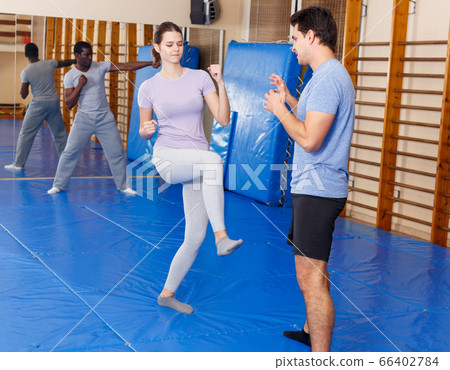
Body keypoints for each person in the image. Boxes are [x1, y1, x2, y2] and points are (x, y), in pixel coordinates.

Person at [264, 7, 355, 352]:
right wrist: (289, 98)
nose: (292, 46)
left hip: (319, 190)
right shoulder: (324, 76)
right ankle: (309, 329)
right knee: (311, 268)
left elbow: (310, 139)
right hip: (312, 188)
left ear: (312, 37)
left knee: (310, 276)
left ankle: (321, 355)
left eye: (295, 39)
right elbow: (315, 116)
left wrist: (280, 110)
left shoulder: (329, 78)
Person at [138, 21, 243, 314]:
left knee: (195, 236)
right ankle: (221, 237)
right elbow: (144, 131)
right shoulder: (148, 87)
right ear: (156, 48)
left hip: (197, 160)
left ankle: (167, 294)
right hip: (169, 158)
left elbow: (222, 119)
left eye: (180, 43)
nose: (176, 49)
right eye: (169, 44)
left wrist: (221, 82)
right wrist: (146, 130)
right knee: (213, 161)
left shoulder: (199, 78)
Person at [47, 41, 153, 195]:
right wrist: (80, 85)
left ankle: (124, 186)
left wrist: (150, 63)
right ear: (77, 56)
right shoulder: (70, 76)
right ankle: (58, 185)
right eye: (86, 55)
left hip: (105, 118)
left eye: (91, 54)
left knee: (116, 152)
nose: (90, 57)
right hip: (83, 119)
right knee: (70, 152)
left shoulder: (100, 67)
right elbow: (69, 104)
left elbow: (126, 66)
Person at [5, 43, 75, 170]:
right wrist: (76, 60)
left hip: (38, 105)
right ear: (37, 53)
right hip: (53, 103)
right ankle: (67, 163)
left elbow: (24, 95)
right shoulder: (50, 63)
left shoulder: (26, 71)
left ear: (26, 55)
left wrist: (24, 85)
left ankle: (18, 164)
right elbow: (65, 62)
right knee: (60, 134)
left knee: (26, 133)